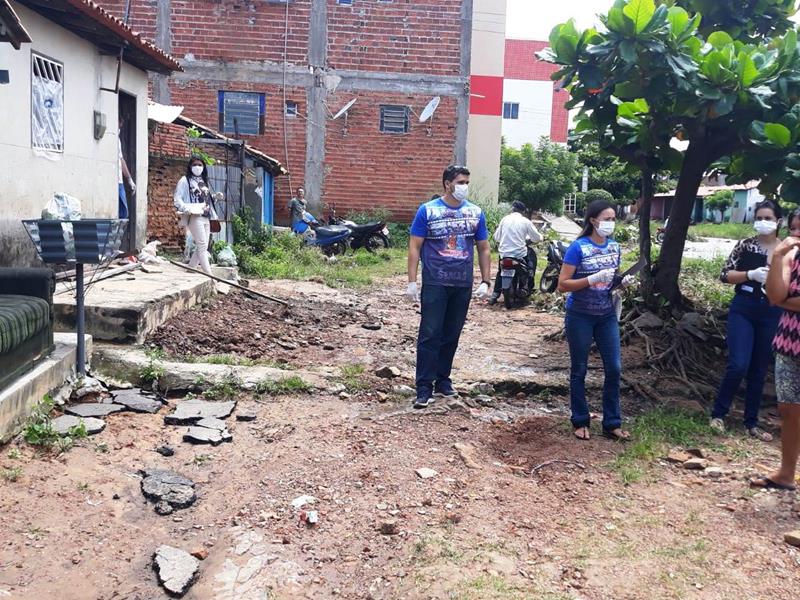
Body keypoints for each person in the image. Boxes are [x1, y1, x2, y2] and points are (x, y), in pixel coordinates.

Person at [406, 165, 492, 409]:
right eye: (460, 182)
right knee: (430, 333)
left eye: (466, 182)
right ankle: (424, 387)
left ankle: (443, 380)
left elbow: (483, 247)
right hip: (435, 281)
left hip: (462, 282)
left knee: (452, 334)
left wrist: (486, 280)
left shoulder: (476, 213)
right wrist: (412, 281)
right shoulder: (428, 211)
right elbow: (415, 246)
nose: (464, 186)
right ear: (447, 184)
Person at [557, 200, 632, 441]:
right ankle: (580, 420)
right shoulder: (578, 248)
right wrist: (591, 279)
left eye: (613, 219)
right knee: (579, 368)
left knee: (614, 368)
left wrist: (622, 283)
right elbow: (563, 285)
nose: (611, 223)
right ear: (593, 221)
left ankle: (612, 422)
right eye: (606, 219)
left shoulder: (614, 248)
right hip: (580, 315)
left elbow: (610, 282)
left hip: (606, 314)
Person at [709, 201, 784, 441]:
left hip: (772, 310)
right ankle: (718, 414)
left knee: (760, 368)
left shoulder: (786, 249)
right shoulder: (745, 245)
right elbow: (724, 274)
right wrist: (749, 275)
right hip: (744, 306)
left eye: (768, 218)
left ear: (778, 221)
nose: (763, 222)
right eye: (759, 217)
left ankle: (751, 422)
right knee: (738, 363)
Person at [752, 208, 800, 491]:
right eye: (794, 228)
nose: (797, 234)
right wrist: (779, 255)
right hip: (789, 341)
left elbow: (781, 298)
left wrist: (785, 300)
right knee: (789, 409)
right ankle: (786, 472)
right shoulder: (789, 256)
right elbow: (773, 295)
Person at [488, 201, 542, 305]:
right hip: (519, 254)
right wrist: (537, 238)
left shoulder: (505, 220)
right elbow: (536, 238)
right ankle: (527, 288)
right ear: (523, 211)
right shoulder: (525, 221)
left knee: (500, 271)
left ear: (512, 209)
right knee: (529, 267)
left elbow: (496, 237)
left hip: (504, 254)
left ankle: (495, 294)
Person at [173, 156, 217, 275]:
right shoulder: (185, 180)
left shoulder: (203, 181)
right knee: (202, 246)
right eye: (194, 165)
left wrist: (215, 198)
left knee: (203, 246)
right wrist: (185, 208)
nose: (197, 167)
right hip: (195, 216)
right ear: (190, 167)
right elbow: (177, 198)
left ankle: (191, 269)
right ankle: (210, 276)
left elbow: (205, 199)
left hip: (206, 216)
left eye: (200, 165)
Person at [118, 119, 135, 219]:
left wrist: (129, 179)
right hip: (113, 182)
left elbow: (121, 160)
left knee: (124, 213)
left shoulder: (117, 140)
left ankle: (118, 234)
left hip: (119, 182)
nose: (120, 128)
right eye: (119, 126)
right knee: (121, 214)